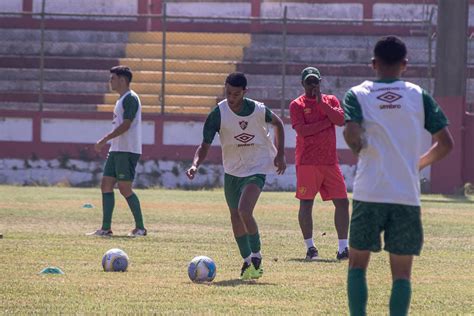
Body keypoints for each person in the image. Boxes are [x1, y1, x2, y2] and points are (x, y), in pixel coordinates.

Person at [343, 36, 454, 316]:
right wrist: (417, 164)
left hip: (369, 192)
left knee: (357, 265)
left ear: (373, 64)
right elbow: (446, 143)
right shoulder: (419, 95)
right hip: (405, 194)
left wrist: (357, 144)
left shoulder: (357, 93)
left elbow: (352, 132)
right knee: (402, 274)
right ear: (405, 64)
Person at [186, 72, 286, 280]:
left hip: (256, 167)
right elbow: (204, 145)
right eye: (228, 92)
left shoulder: (257, 110)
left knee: (244, 211)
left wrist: (281, 154)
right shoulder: (218, 113)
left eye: (236, 94)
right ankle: (247, 260)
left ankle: (257, 257)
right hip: (232, 171)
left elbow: (279, 124)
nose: (231, 98)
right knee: (234, 216)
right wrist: (195, 165)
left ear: (244, 92)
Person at [289, 67, 350, 261]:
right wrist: (326, 123)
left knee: (342, 202)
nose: (313, 85)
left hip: (330, 161)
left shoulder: (330, 100)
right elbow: (303, 131)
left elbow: (340, 120)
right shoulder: (296, 104)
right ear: (303, 83)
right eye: (309, 82)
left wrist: (321, 104)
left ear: (320, 82)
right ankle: (310, 248)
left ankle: (343, 248)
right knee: (306, 203)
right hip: (308, 162)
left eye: (316, 81)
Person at [87, 65, 147, 237]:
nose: (110, 81)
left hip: (127, 150)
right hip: (117, 149)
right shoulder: (121, 99)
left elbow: (126, 125)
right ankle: (105, 229)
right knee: (105, 184)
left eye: (112, 78)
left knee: (124, 188)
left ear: (122, 80)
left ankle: (140, 228)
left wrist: (105, 139)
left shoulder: (130, 99)